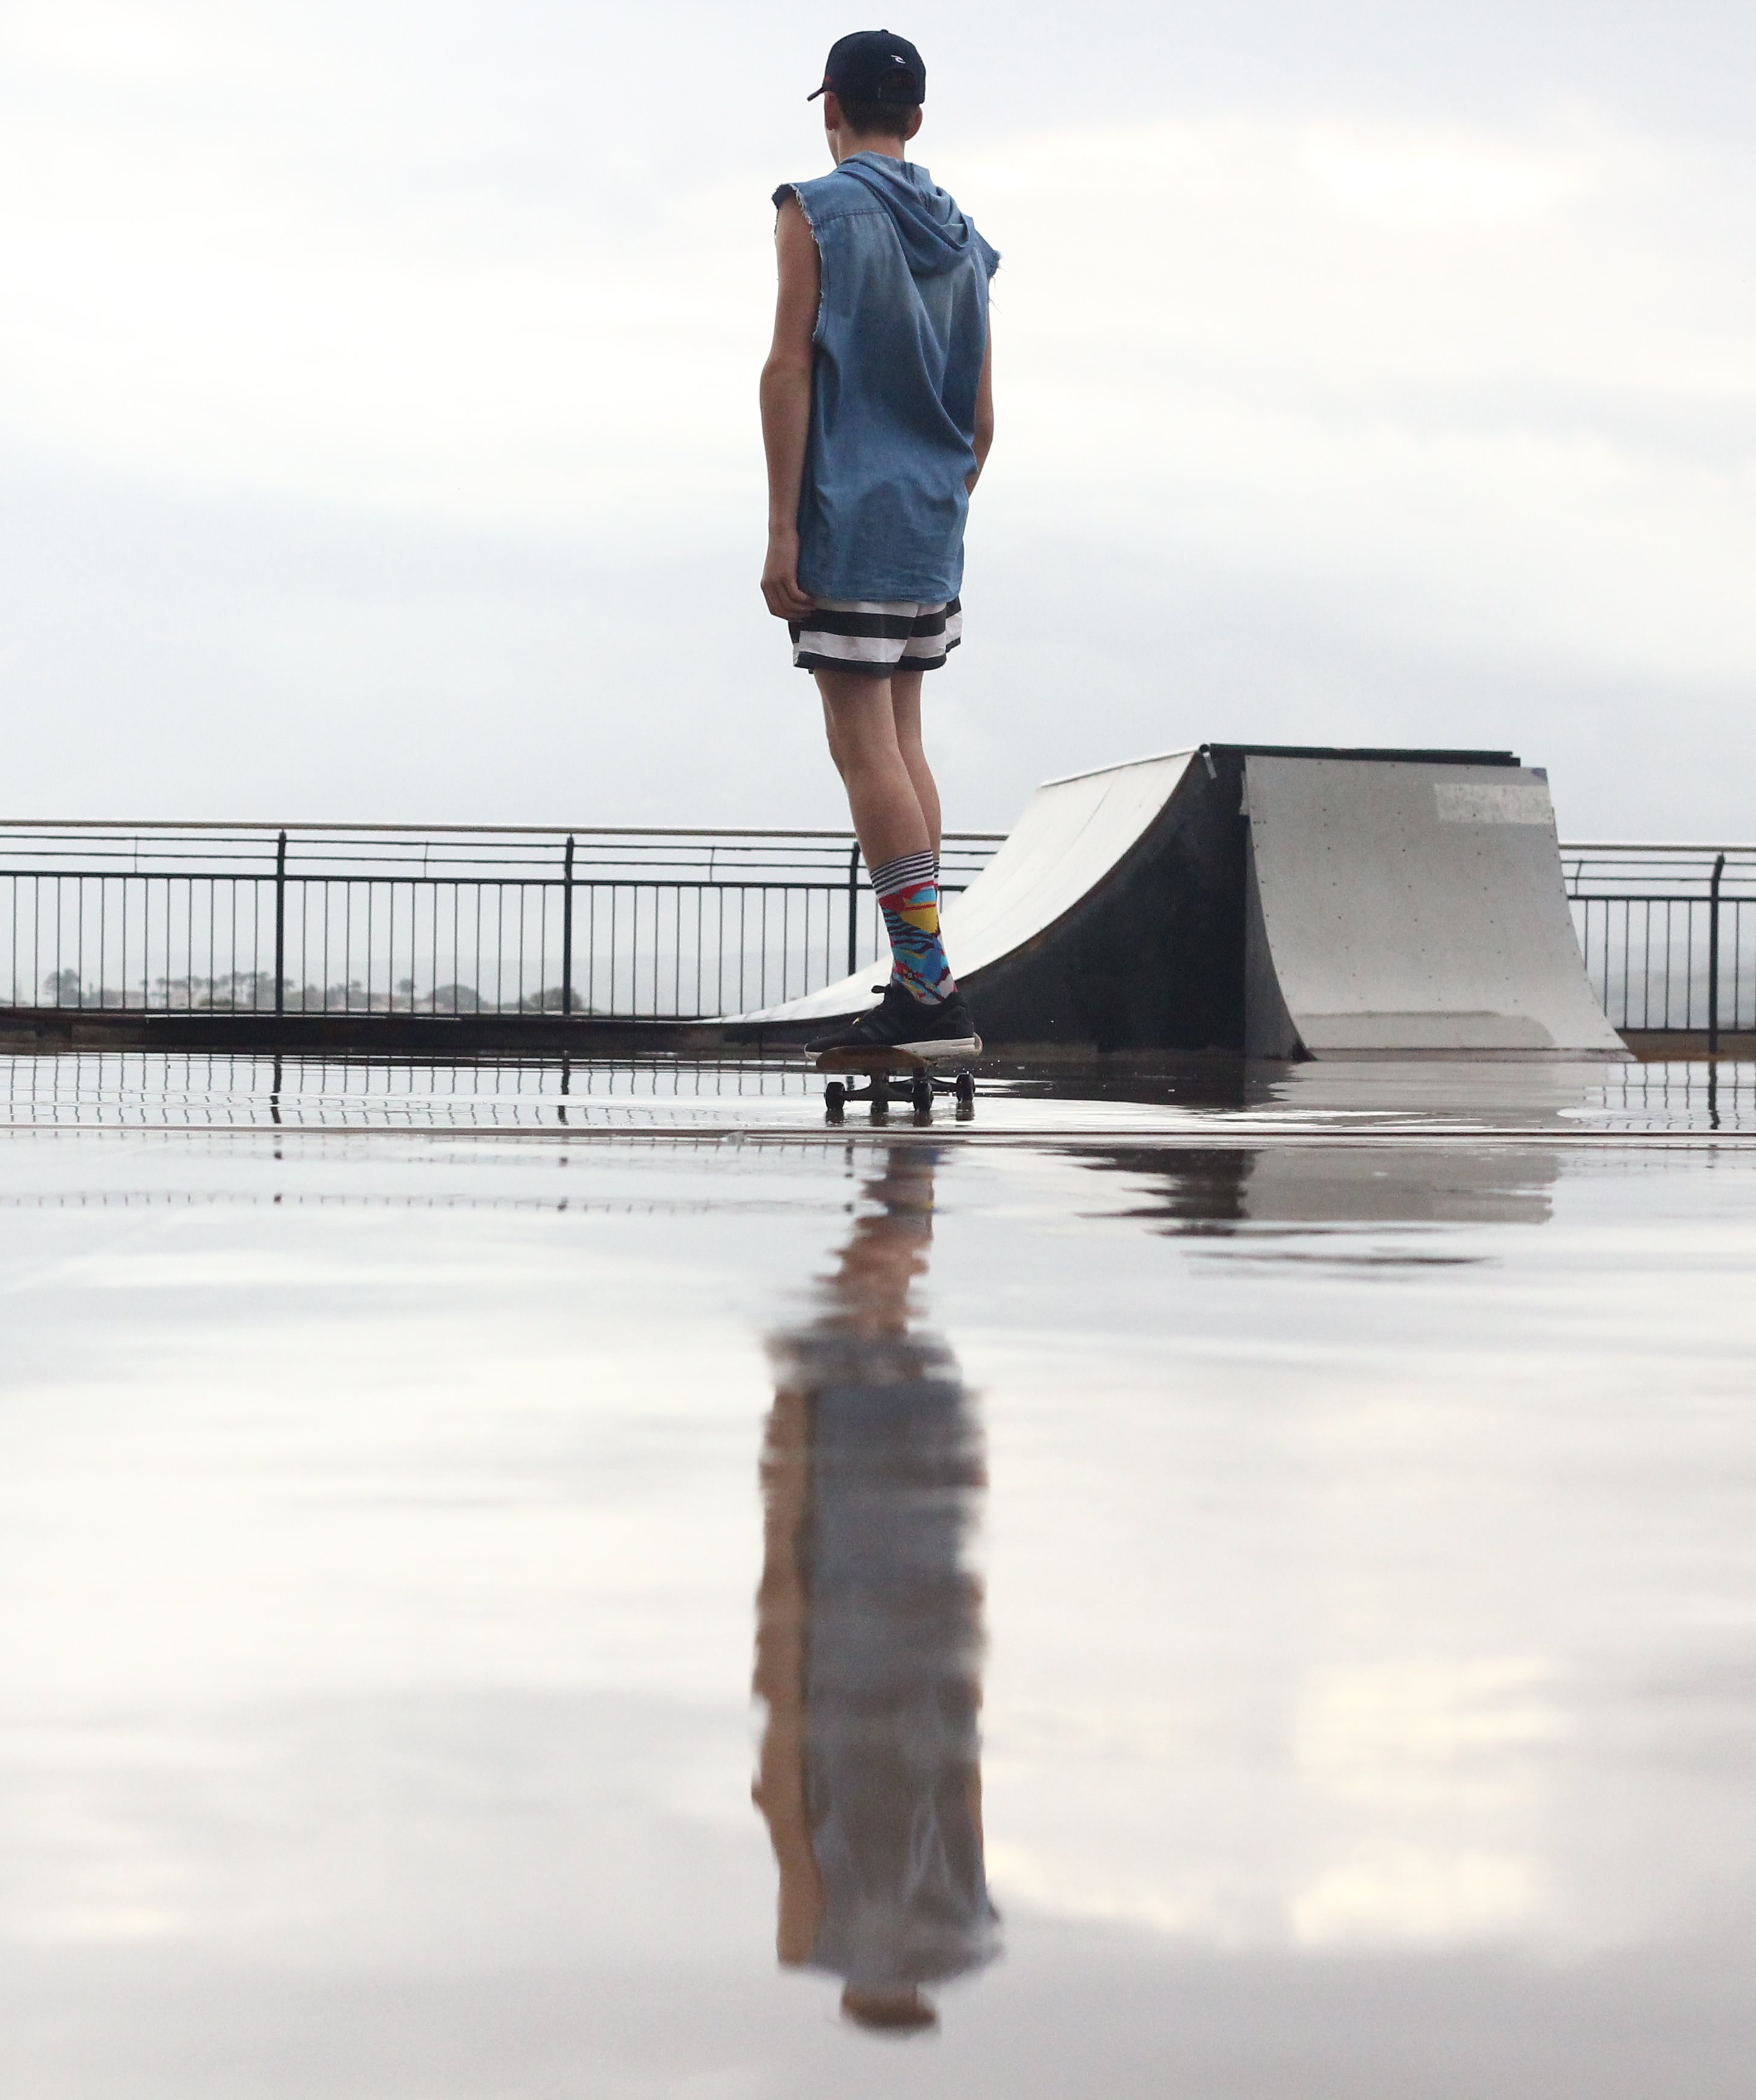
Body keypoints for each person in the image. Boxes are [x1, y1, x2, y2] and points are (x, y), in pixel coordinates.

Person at [761, 30, 999, 1062]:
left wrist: (783, 527)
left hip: (849, 513)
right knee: (903, 739)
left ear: (832, 110)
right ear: (916, 116)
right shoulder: (963, 237)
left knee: (863, 745)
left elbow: (788, 371)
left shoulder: (815, 209)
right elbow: (983, 418)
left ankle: (927, 990)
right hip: (931, 520)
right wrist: (939, 495)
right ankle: (924, 980)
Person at [753, 1144, 1001, 2034]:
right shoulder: (831, 1919)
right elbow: (789, 1773)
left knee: (874, 1317)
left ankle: (910, 1177)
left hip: (917, 1587)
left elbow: (967, 1766)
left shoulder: (957, 1905)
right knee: (855, 1324)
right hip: (851, 1581)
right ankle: (910, 1168)